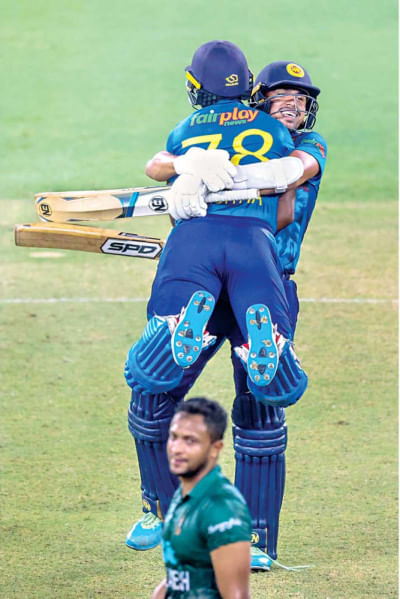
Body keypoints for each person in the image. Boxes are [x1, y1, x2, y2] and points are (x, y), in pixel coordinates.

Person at [125, 42, 317, 569]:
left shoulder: (302, 144)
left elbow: (287, 187)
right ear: (256, 95)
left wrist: (207, 184)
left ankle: (249, 541)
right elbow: (162, 164)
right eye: (280, 97)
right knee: (158, 396)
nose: (290, 107)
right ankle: (170, 515)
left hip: (246, 276)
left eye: (300, 100)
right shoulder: (257, 134)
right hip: (255, 278)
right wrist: (194, 172)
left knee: (253, 406)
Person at [151, 396, 251, 599]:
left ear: (215, 448)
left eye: (190, 441)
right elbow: (180, 572)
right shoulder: (184, 494)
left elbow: (237, 596)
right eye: (174, 437)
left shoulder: (222, 508)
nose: (177, 448)